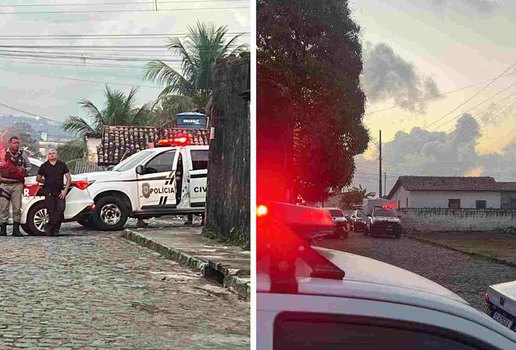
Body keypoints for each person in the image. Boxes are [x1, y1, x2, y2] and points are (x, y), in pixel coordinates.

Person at [0, 136, 32, 236]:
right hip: (4, 184)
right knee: (3, 207)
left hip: (17, 184)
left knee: (17, 208)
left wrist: (24, 170)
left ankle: (16, 229)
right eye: (14, 143)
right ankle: (3, 229)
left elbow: (29, 166)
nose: (16, 145)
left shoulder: (23, 154)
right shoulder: (3, 153)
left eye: (18, 143)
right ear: (10, 143)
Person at [36, 149, 71, 236]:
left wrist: (65, 190)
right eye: (50, 154)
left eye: (53, 153)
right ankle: (54, 230)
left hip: (60, 191)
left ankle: (50, 226)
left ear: (57, 154)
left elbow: (69, 178)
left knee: (60, 209)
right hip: (48, 191)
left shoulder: (62, 165)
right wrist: (47, 182)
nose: (52, 155)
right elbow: (38, 178)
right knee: (51, 210)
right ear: (47, 155)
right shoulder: (44, 166)